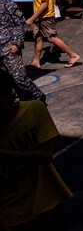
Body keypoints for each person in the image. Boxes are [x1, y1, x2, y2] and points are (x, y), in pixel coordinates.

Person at [0, 69, 73, 231]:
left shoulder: (34, 110)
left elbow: (44, 155)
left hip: (46, 203)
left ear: (9, 97)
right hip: (12, 215)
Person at [26, 0, 81, 69]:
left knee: (51, 38)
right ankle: (36, 61)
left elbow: (44, 3)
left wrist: (31, 18)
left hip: (45, 16)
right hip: (40, 17)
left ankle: (73, 55)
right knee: (38, 37)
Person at [0, 0, 46, 102]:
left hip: (9, 49)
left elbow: (21, 25)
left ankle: (39, 98)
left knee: (20, 78)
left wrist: (17, 44)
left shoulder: (7, 4)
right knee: (4, 82)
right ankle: (13, 104)